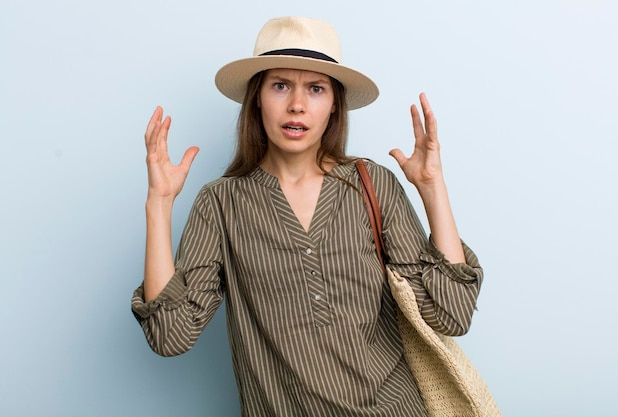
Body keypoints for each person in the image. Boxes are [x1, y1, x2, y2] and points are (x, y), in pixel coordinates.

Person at [132, 16, 483, 417]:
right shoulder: (221, 203)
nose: (297, 104)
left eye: (315, 89)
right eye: (280, 85)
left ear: (334, 105)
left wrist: (433, 188)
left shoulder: (372, 185)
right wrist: (158, 204)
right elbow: (169, 335)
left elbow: (451, 315)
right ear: (257, 98)